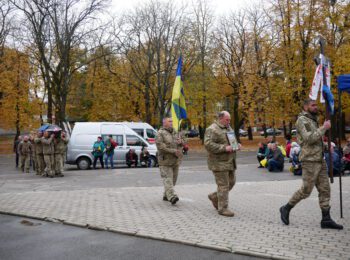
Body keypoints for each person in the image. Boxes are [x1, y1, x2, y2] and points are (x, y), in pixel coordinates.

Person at [280, 99, 343, 230]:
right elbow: (309, 138)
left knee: (325, 189)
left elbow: (316, 141)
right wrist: (324, 128)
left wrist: (326, 146)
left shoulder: (312, 120)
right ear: (305, 106)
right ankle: (286, 208)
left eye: (316, 105)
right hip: (309, 161)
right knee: (306, 190)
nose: (316, 107)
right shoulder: (302, 120)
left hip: (319, 159)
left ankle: (326, 219)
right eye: (313, 105)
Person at [204, 111, 240, 217]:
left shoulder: (229, 128)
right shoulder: (212, 129)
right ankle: (223, 208)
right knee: (223, 185)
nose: (229, 121)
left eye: (229, 120)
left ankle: (215, 197)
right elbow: (208, 144)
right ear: (220, 118)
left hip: (230, 161)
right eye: (227, 119)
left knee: (232, 182)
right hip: (218, 162)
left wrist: (236, 145)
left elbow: (232, 142)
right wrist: (224, 148)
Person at [155, 117, 184, 205]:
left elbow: (183, 142)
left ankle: (166, 195)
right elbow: (161, 147)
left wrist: (181, 142)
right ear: (164, 123)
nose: (172, 122)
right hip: (165, 161)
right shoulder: (160, 133)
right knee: (168, 179)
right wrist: (173, 151)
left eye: (172, 121)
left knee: (173, 180)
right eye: (170, 121)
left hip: (175, 161)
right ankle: (172, 196)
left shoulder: (175, 132)